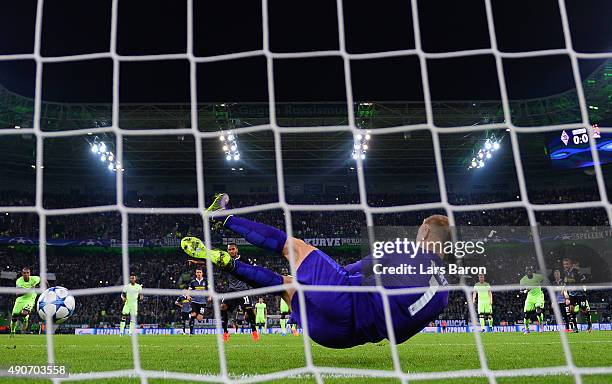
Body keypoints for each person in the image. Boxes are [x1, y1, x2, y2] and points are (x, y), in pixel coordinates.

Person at [180, 193, 450, 349]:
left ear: (424, 232)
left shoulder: (405, 249)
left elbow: (349, 270)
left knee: (294, 247)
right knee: (286, 287)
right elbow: (399, 337)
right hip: (339, 337)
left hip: (342, 301)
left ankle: (222, 217)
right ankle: (228, 262)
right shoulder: (444, 295)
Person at [189, 242, 259, 342]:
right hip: (232, 290)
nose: (231, 251)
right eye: (229, 250)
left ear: (237, 250)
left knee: (248, 310)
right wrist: (196, 262)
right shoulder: (225, 260)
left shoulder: (244, 260)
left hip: (243, 290)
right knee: (223, 307)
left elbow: (255, 268)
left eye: (233, 249)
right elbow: (210, 262)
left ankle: (254, 332)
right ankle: (225, 333)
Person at [10, 267, 41, 337]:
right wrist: (29, 289)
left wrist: (49, 289)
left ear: (30, 273)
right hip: (20, 299)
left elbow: (43, 280)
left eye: (27, 273)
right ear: (22, 273)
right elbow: (17, 294)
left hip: (30, 298)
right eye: (24, 273)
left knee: (24, 313)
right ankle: (12, 331)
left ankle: (25, 319)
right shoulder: (19, 281)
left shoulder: (35, 279)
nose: (26, 274)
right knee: (14, 316)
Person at [519, 266, 545, 334]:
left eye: (530, 270)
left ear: (532, 271)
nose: (529, 272)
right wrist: (525, 290)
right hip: (530, 297)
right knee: (526, 315)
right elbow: (521, 290)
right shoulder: (523, 280)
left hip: (538, 295)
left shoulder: (538, 276)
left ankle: (541, 325)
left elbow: (543, 280)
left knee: (538, 310)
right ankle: (527, 329)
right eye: (528, 270)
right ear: (526, 272)